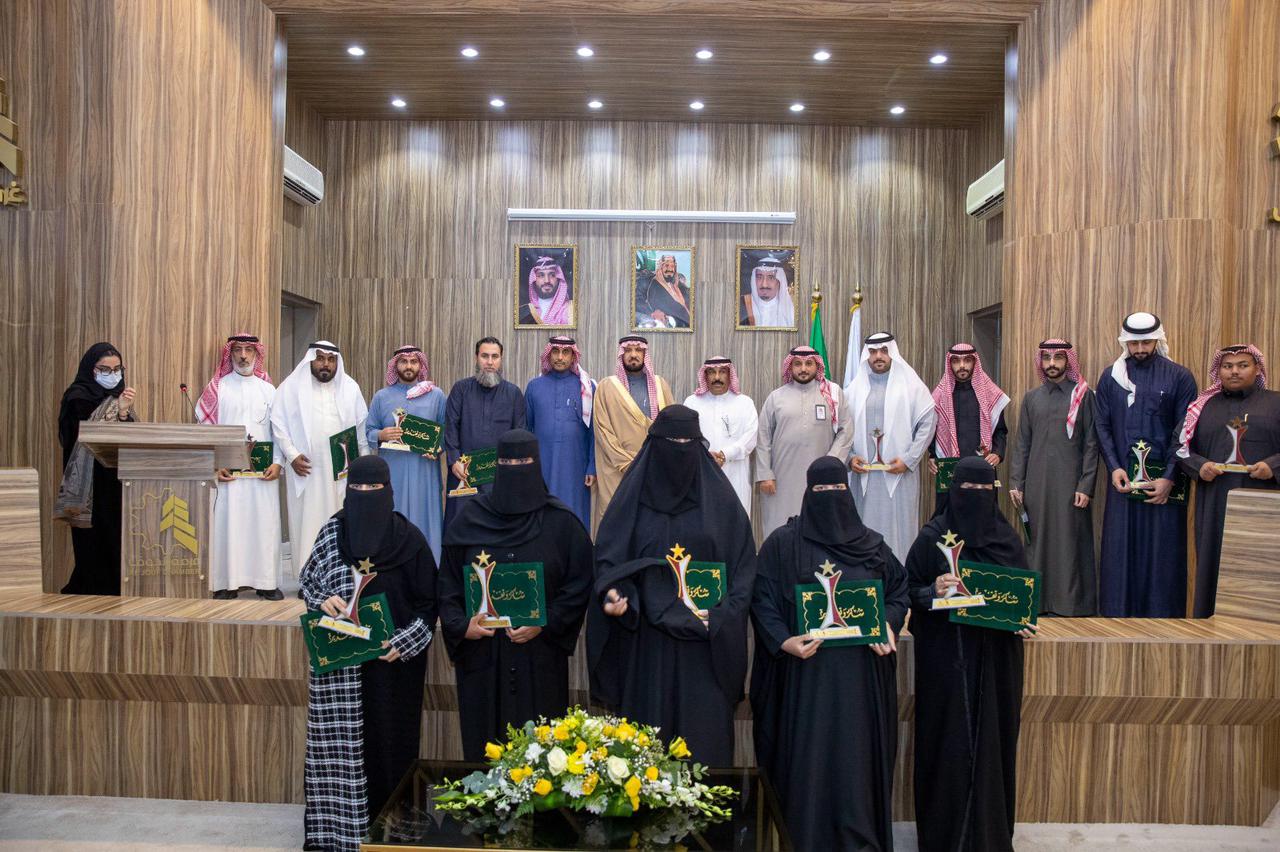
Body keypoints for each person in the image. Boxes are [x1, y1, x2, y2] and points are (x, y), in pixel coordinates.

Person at [749, 457, 907, 851]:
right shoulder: (782, 544)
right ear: (808, 493)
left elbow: (899, 591)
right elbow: (761, 598)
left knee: (857, 764)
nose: (830, 497)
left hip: (860, 685)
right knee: (809, 764)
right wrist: (783, 641)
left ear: (848, 493)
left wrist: (888, 623)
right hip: (806, 684)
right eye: (822, 490)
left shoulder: (873, 546)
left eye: (837, 489)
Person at [589, 405, 756, 767]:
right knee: (647, 757)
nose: (679, 450)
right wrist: (616, 597)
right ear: (654, 445)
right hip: (647, 648)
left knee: (705, 753)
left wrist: (722, 616)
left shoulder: (722, 504)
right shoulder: (631, 502)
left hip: (705, 649)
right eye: (671, 442)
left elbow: (744, 570)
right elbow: (609, 563)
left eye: (687, 442)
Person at [300, 456, 438, 852]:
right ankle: (337, 832)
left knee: (392, 748)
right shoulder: (332, 533)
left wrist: (405, 642)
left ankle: (393, 834)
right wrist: (321, 599)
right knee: (338, 754)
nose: (365, 495)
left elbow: (429, 604)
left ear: (388, 491)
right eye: (357, 489)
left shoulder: (410, 541)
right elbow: (308, 579)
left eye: (373, 489)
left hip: (392, 669)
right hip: (340, 671)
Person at [906, 457, 1037, 852]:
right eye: (969, 490)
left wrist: (1022, 620)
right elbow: (907, 591)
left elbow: (1021, 596)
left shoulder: (1007, 541)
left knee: (994, 746)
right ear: (954, 491)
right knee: (947, 746)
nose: (976, 497)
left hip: (997, 666)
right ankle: (943, 837)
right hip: (946, 665)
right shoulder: (932, 538)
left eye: (984, 490)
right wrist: (932, 591)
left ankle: (990, 836)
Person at [438, 430, 593, 760]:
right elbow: (447, 584)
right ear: (497, 467)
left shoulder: (561, 523)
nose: (515, 468)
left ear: (536, 464)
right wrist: (462, 626)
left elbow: (579, 585)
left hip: (539, 662)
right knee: (484, 757)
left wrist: (545, 623)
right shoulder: (469, 520)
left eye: (523, 461)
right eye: (507, 462)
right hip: (481, 662)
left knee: (541, 761)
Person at [1093, 312, 1197, 617]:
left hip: (1165, 482)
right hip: (1123, 479)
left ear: (1158, 340)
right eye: (1134, 343)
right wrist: (1114, 467)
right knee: (1120, 550)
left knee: (1162, 552)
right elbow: (1102, 426)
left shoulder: (1179, 377)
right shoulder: (1111, 378)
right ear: (1125, 342)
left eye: (1146, 342)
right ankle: (1117, 619)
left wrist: (1169, 477)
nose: (1140, 349)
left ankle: (1163, 622)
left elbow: (1185, 430)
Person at [1175, 344, 1280, 617]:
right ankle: (1210, 627)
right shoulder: (1202, 407)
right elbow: (1179, 448)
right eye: (1227, 366)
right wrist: (1200, 466)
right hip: (1215, 502)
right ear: (1218, 371)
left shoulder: (1276, 404)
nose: (1234, 371)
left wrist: (1272, 466)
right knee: (1213, 563)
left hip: (1264, 504)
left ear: (1257, 369)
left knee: (1261, 567)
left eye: (1243, 365)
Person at [1008, 339, 1100, 616]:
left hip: (1071, 485)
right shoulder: (1031, 398)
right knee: (1036, 541)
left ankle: (1069, 605)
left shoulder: (1083, 396)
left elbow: (1092, 444)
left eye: (1058, 358)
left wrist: (1086, 485)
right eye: (1046, 358)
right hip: (1036, 485)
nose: (1051, 364)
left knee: (1069, 542)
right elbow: (1022, 444)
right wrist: (1016, 482)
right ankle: (1037, 603)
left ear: (1068, 361)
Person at [196, 333, 284, 600]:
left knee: (263, 526)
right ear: (230, 353)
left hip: (262, 475)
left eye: (248, 350)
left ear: (257, 354)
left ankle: (266, 582)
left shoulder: (269, 390)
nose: (243, 356)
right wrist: (214, 466)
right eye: (237, 350)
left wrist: (278, 463)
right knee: (229, 526)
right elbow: (205, 432)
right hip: (228, 475)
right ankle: (227, 582)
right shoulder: (217, 389)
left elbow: (280, 432)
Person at [272, 341, 369, 576]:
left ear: (337, 362)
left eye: (331, 359)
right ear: (310, 360)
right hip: (306, 469)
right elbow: (278, 424)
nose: (325, 364)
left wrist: (363, 468)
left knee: (340, 521)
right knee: (307, 524)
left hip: (342, 472)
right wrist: (292, 456)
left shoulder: (350, 388)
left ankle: (339, 575)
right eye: (320, 358)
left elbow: (361, 430)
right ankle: (307, 577)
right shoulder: (291, 387)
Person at [53, 342, 138, 595]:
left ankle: (115, 594)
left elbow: (131, 439)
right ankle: (88, 594)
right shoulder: (77, 397)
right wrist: (118, 412)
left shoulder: (119, 398)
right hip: (90, 483)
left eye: (117, 369)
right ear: (91, 369)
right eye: (105, 369)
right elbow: (82, 436)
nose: (112, 375)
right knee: (92, 543)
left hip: (117, 482)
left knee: (116, 539)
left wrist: (124, 414)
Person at [845, 331, 936, 562]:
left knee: (900, 534)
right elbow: (843, 430)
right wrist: (851, 457)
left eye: (884, 351)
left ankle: (901, 580)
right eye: (873, 351)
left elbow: (928, 423)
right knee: (863, 530)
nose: (878, 356)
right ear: (867, 355)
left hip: (899, 476)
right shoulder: (853, 390)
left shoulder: (911, 386)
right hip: (864, 478)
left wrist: (909, 459)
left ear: (892, 352)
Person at [756, 345, 854, 536]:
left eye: (809, 363)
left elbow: (846, 430)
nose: (803, 369)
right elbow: (763, 437)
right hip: (781, 479)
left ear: (817, 366)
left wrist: (831, 462)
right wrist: (765, 474)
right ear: (790, 367)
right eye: (798, 364)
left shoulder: (832, 395)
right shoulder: (776, 397)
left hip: (821, 478)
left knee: (820, 526)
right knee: (781, 527)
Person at [366, 345, 446, 561]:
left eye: (413, 361)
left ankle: (430, 569)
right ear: (395, 366)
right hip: (394, 472)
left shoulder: (436, 395)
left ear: (421, 365)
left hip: (425, 472)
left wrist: (438, 447)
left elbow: (446, 430)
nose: (409, 366)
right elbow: (368, 431)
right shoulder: (381, 397)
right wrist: (381, 434)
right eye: (403, 361)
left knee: (426, 520)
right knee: (394, 518)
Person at [590, 335, 674, 531]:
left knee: (650, 522)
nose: (633, 355)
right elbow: (603, 431)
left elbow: (671, 425)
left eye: (638, 350)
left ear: (645, 354)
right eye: (628, 350)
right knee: (617, 521)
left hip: (654, 466)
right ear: (621, 354)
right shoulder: (606, 387)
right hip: (618, 469)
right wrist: (628, 464)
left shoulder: (660, 385)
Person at [443, 337, 525, 527]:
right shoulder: (461, 389)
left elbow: (519, 435)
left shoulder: (513, 393)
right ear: (476, 358)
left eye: (495, 357)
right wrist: (454, 460)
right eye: (484, 356)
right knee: (461, 527)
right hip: (463, 473)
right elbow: (451, 427)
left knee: (496, 528)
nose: (489, 362)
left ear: (501, 359)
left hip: (499, 477)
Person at [929, 342, 1010, 513]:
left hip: (982, 467)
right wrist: (932, 456)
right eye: (956, 361)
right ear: (950, 363)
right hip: (950, 471)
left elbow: (1000, 431)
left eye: (967, 360)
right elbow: (931, 431)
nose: (962, 366)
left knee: (983, 518)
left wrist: (997, 453)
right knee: (948, 519)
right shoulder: (939, 396)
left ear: (974, 362)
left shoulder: (990, 394)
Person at [524, 335, 596, 526]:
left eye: (566, 352)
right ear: (549, 355)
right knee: (542, 516)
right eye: (555, 351)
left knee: (575, 516)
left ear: (573, 357)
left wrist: (592, 467)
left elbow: (594, 433)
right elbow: (526, 430)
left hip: (576, 466)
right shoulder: (534, 387)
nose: (560, 357)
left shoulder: (587, 388)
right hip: (542, 465)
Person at [683, 356, 758, 515]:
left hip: (735, 475)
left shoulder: (744, 403)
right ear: (705, 376)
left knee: (735, 520)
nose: (717, 377)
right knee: (702, 519)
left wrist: (725, 454)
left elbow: (751, 436)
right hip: (701, 473)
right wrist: (706, 456)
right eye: (712, 372)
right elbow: (685, 437)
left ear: (730, 375)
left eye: (722, 372)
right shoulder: (692, 403)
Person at [634, 253, 691, 329]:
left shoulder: (681, 286)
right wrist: (651, 313)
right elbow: (636, 300)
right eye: (666, 265)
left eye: (672, 266)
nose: (670, 269)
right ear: (660, 266)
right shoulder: (646, 281)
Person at [738, 258, 795, 327]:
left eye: (771, 277)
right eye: (759, 277)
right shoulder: (741, 305)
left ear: (779, 281)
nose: (764, 284)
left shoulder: (790, 311)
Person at [519, 255, 573, 326]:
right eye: (541, 275)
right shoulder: (525, 311)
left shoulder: (570, 309)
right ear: (534, 280)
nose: (547, 281)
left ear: (559, 279)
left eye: (552, 275)